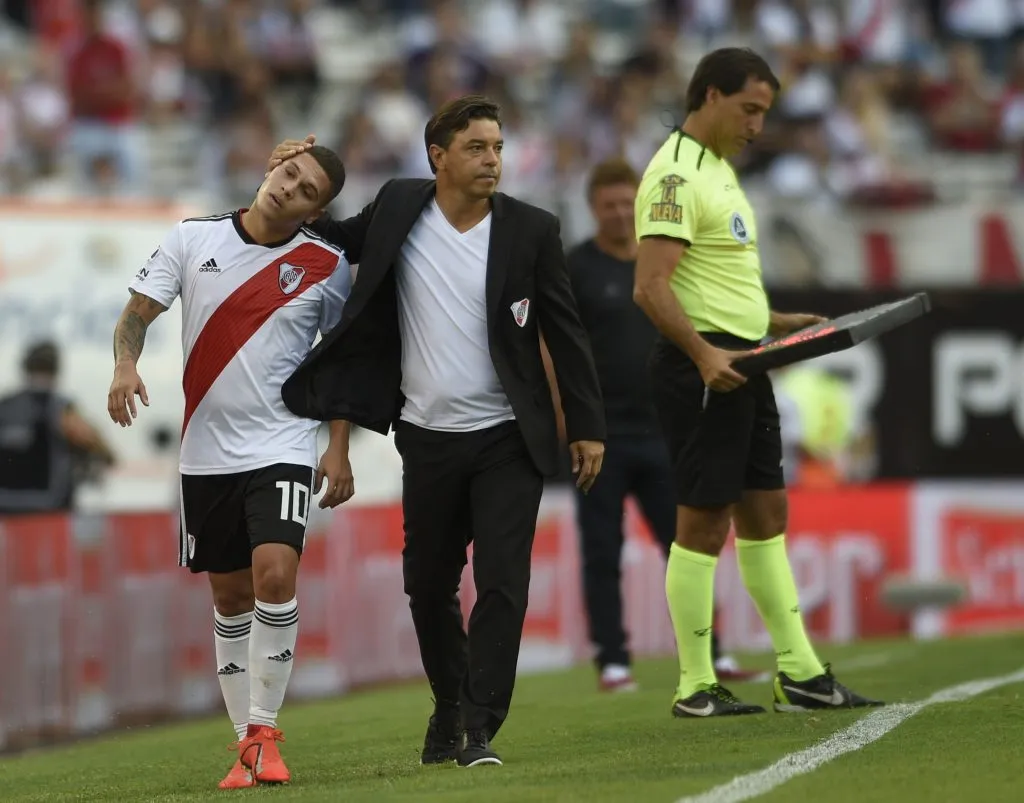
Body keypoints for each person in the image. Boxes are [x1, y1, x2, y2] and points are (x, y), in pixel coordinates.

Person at [271, 95, 606, 767]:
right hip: (425, 437)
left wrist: (588, 425)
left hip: (509, 435)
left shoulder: (532, 229)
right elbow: (331, 239)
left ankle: (480, 724)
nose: (492, 159)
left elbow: (565, 332)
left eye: (498, 147)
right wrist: (290, 179)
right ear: (439, 156)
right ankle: (450, 703)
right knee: (427, 585)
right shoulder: (399, 206)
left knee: (503, 580)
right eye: (477, 147)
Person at [632, 47, 884, 717]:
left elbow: (706, 279)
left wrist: (773, 320)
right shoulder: (677, 176)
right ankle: (694, 683)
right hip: (705, 369)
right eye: (749, 109)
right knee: (703, 522)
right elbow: (650, 287)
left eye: (765, 113)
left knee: (766, 514)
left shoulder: (717, 169)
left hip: (746, 360)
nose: (757, 126)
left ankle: (799, 672)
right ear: (709, 96)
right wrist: (704, 354)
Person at [106, 145, 354, 787]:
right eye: (287, 174)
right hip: (205, 452)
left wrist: (338, 445)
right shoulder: (193, 239)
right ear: (270, 171)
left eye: (305, 190)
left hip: (283, 443)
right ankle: (245, 745)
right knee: (231, 596)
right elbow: (136, 315)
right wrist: (126, 366)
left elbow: (343, 364)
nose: (288, 188)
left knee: (276, 573)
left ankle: (267, 731)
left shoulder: (325, 266)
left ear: (316, 211)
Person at [557, 157, 765, 692]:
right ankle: (613, 660)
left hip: (665, 432)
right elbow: (553, 347)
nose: (621, 213)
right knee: (601, 549)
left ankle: (709, 652)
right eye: (609, 205)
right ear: (592, 209)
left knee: (686, 545)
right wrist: (567, 418)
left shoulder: (664, 263)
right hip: (599, 438)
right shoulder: (576, 268)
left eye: (629, 203)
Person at [0, 341, 114, 516]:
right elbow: (104, 453)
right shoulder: (61, 408)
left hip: (5, 509)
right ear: (56, 369)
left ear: (25, 367)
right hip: (50, 512)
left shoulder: (5, 405)